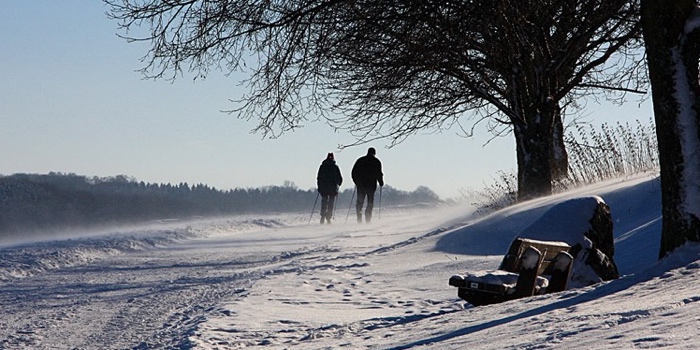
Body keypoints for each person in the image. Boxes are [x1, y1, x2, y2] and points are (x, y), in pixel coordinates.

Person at [351, 147, 384, 223]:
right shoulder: (376, 161)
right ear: (374, 153)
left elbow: (354, 173)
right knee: (370, 202)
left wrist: (357, 182)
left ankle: (359, 217)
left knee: (360, 202)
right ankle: (368, 217)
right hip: (371, 186)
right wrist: (381, 182)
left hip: (361, 185)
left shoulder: (360, 160)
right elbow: (379, 173)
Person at [316, 152, 343, 224]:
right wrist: (339, 184)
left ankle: (322, 216)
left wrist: (319, 187)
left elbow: (319, 178)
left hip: (324, 188)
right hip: (333, 188)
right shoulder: (335, 167)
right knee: (331, 203)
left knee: (324, 202)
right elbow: (339, 178)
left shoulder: (322, 166)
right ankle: (328, 217)